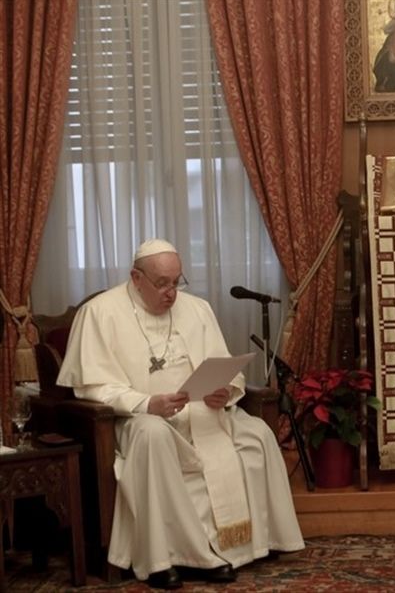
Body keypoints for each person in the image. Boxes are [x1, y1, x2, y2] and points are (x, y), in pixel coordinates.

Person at [57, 239, 304, 589]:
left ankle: (253, 545)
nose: (172, 293)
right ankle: (165, 560)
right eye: (162, 284)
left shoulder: (197, 309)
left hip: (203, 414)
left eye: (177, 282)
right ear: (136, 278)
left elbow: (225, 367)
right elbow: (92, 387)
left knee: (259, 434)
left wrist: (225, 390)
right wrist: (147, 404)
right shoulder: (100, 313)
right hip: (136, 419)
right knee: (154, 434)